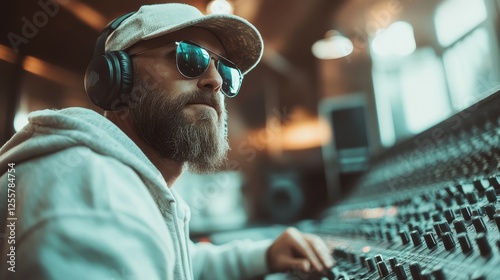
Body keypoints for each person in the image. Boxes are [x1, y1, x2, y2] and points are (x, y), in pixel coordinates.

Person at [0, 3, 334, 279]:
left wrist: (264, 255)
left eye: (227, 71)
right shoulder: (90, 193)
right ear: (117, 78)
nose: (215, 81)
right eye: (190, 58)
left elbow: (177, 260)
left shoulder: (131, 187)